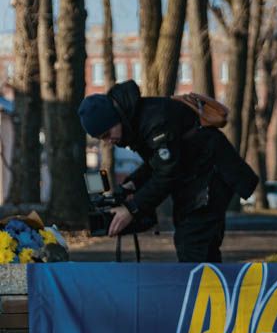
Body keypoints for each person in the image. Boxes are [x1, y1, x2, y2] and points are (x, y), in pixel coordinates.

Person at [77, 80, 258, 262]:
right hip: (197, 176)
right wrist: (131, 185)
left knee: (192, 244)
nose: (109, 141)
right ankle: (211, 288)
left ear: (115, 117)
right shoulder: (137, 119)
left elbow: (167, 173)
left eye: (107, 134)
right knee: (199, 246)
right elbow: (156, 163)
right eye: (102, 138)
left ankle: (203, 288)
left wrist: (131, 209)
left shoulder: (155, 121)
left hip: (211, 174)